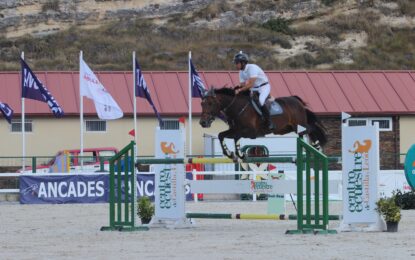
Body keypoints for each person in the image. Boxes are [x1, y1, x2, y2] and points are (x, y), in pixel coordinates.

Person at [233, 52, 274, 130]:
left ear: (243, 63)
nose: (236, 65)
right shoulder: (241, 72)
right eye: (235, 63)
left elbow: (251, 84)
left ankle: (269, 122)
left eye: (237, 63)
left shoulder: (252, 68)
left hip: (264, 87)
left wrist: (240, 90)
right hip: (254, 88)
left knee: (261, 101)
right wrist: (238, 90)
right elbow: (242, 85)